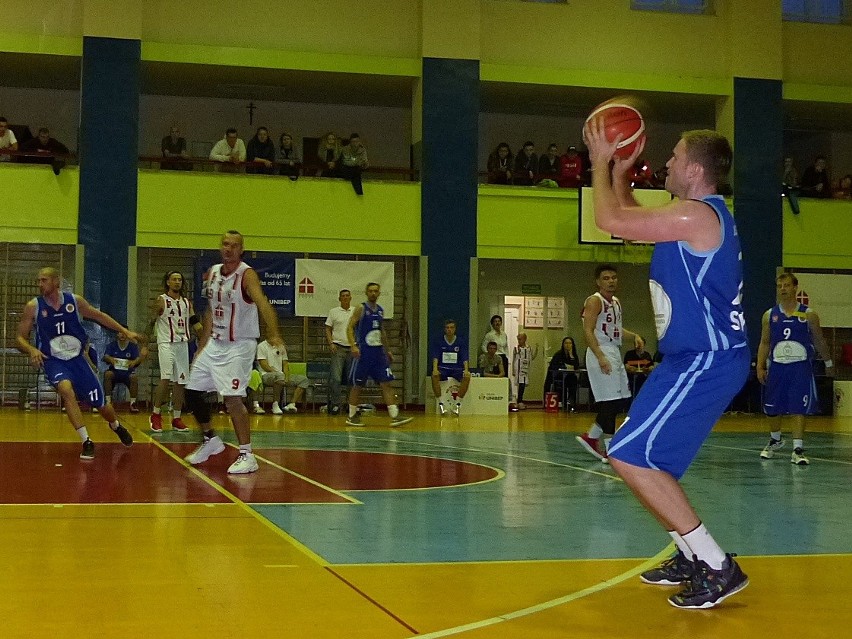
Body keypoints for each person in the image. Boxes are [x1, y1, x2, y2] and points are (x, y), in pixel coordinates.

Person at [585, 119, 750, 609]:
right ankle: (690, 553)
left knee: (628, 455)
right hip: (688, 359)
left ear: (696, 169)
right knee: (647, 463)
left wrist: (599, 160)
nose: (669, 163)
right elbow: (630, 218)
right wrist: (620, 172)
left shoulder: (697, 216)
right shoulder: (686, 217)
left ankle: (717, 565)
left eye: (676, 157)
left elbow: (609, 221)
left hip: (707, 359)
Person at [183, 231, 283, 474]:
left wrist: (274, 333)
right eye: (225, 244)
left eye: (234, 246)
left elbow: (263, 304)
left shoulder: (247, 276)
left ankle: (247, 454)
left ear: (241, 250)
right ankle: (211, 440)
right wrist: (202, 345)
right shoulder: (214, 272)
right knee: (192, 392)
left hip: (240, 345)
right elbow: (210, 311)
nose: (228, 249)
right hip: (215, 343)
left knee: (232, 399)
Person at [15, 267, 140, 459]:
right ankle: (86, 440)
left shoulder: (74, 301)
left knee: (102, 406)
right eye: (38, 281)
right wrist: (32, 349)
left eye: (44, 280)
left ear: (56, 281)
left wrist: (124, 330)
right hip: (54, 360)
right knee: (66, 389)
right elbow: (19, 338)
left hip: (77, 359)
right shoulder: (34, 306)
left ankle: (116, 425)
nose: (40, 284)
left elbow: (99, 316)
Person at [756, 272, 834, 465]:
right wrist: (760, 366)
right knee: (772, 408)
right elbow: (764, 342)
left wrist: (829, 362)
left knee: (798, 407)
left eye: (786, 285)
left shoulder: (809, 314)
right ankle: (775, 440)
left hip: (800, 368)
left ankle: (798, 449)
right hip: (777, 367)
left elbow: (819, 340)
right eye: (779, 286)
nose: (783, 289)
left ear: (795, 288)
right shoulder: (769, 315)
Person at [576, 264, 643, 462]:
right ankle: (609, 448)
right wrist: (600, 356)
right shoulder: (594, 301)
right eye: (606, 278)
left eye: (614, 277)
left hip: (613, 350)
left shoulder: (615, 302)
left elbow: (615, 330)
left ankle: (591, 437)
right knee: (609, 401)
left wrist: (635, 336)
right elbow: (588, 330)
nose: (611, 281)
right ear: (598, 281)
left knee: (621, 399)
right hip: (601, 351)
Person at [345, 282, 413, 427]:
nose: (373, 293)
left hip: (378, 354)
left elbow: (382, 332)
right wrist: (353, 346)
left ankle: (394, 415)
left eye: (376, 291)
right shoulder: (361, 308)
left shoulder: (380, 310)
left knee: (386, 383)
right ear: (366, 292)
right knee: (357, 385)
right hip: (363, 353)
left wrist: (387, 350)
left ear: (379, 293)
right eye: (370, 291)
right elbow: (350, 327)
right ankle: (351, 415)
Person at [149, 270, 201, 433]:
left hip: (182, 344)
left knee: (181, 382)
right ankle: (156, 414)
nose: (177, 282)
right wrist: (144, 342)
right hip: (166, 343)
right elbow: (151, 320)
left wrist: (207, 336)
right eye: (174, 279)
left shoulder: (187, 302)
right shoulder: (161, 300)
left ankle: (177, 418)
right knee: (165, 378)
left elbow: (194, 322)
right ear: (168, 283)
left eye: (179, 279)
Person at [256, 339, 310, 414]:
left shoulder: (281, 347)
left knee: (303, 380)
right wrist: (278, 374)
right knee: (278, 376)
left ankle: (291, 404)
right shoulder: (261, 346)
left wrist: (286, 376)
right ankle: (275, 405)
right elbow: (264, 365)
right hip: (266, 375)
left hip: (281, 375)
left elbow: (285, 363)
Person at [431, 319, 471, 416]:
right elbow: (435, 357)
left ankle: (457, 404)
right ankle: (441, 403)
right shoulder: (439, 341)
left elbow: (465, 357)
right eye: (447, 328)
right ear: (445, 329)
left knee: (467, 377)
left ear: (455, 329)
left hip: (456, 369)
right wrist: (435, 369)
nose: (449, 330)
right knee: (434, 376)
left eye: (452, 328)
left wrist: (466, 370)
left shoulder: (460, 341)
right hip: (443, 368)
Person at [324, 289, 354, 415]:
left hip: (352, 348)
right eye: (343, 296)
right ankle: (336, 404)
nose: (345, 298)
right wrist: (330, 342)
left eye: (347, 296)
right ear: (339, 298)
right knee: (335, 379)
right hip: (338, 348)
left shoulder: (355, 311)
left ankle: (350, 405)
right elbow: (328, 328)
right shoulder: (333, 312)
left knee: (351, 379)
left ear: (350, 298)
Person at [102, 333, 147, 413]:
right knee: (107, 374)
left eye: (124, 333)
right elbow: (105, 357)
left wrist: (134, 362)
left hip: (127, 372)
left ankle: (133, 403)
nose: (122, 335)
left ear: (127, 335)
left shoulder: (132, 346)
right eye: (120, 333)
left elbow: (137, 359)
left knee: (134, 377)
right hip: (114, 371)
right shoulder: (112, 345)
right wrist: (110, 359)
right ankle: (108, 401)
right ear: (117, 335)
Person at [543, 336, 580, 411]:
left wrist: (571, 356)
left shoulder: (574, 355)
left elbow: (576, 366)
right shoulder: (558, 354)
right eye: (566, 343)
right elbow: (554, 367)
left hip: (570, 376)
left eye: (570, 343)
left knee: (573, 380)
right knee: (564, 381)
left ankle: (571, 402)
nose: (568, 345)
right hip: (559, 376)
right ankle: (562, 402)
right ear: (563, 344)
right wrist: (566, 366)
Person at [512, 333, 538, 409]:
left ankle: (520, 400)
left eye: (520, 339)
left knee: (523, 383)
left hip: (525, 368)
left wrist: (536, 350)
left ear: (525, 339)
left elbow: (532, 357)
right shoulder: (516, 348)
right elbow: (514, 359)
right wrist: (513, 370)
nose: (519, 341)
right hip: (518, 368)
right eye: (518, 339)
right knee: (521, 384)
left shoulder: (528, 348)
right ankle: (519, 400)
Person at [481, 314, 509, 379]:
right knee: (495, 377)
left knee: (504, 377)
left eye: (499, 321)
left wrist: (507, 356)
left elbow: (506, 347)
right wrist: (490, 355)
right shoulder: (489, 335)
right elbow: (483, 346)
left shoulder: (504, 334)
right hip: (495, 358)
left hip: (503, 357)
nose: (497, 323)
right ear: (492, 324)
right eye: (495, 321)